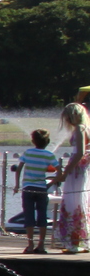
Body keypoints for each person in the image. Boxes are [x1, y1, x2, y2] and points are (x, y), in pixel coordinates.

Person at [16, 128, 61, 253]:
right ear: (48, 141)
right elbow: (60, 171)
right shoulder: (49, 155)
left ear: (33, 141)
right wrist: (51, 183)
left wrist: (16, 185)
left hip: (28, 189)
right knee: (42, 217)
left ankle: (30, 245)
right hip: (41, 189)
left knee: (29, 215)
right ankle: (41, 245)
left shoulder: (28, 152)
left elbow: (19, 169)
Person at [55, 98, 90, 253]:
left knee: (73, 202)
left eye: (69, 116)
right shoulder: (86, 128)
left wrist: (66, 171)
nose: (67, 119)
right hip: (83, 168)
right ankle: (81, 241)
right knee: (81, 202)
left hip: (77, 170)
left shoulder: (80, 129)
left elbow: (80, 152)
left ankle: (74, 242)